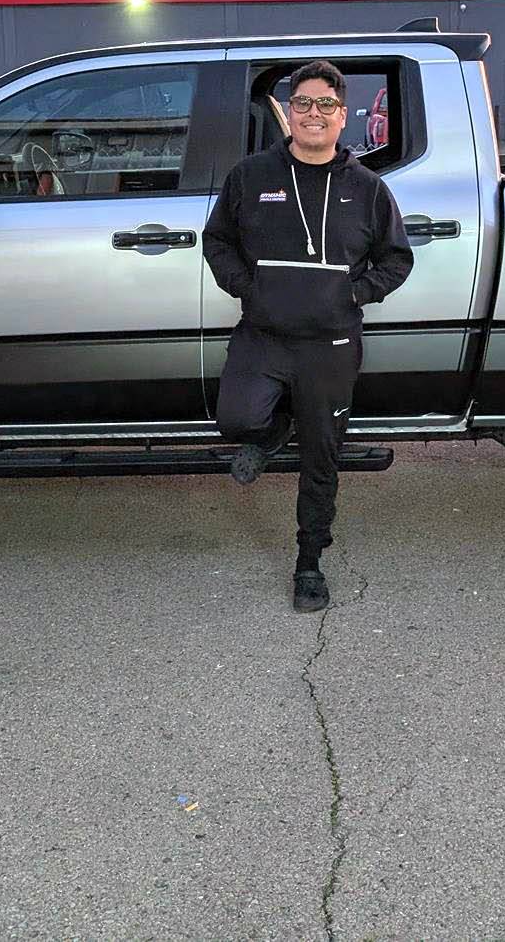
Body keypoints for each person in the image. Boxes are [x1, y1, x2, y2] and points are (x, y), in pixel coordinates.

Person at [202, 60, 413, 612]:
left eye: (326, 105)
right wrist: (247, 288)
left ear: (343, 116)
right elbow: (217, 240)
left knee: (322, 457)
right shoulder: (251, 176)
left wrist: (356, 294)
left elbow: (396, 259)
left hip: (331, 345)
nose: (313, 114)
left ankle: (309, 562)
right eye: (303, 104)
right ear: (287, 112)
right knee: (236, 419)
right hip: (265, 333)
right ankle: (272, 433)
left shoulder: (367, 189)